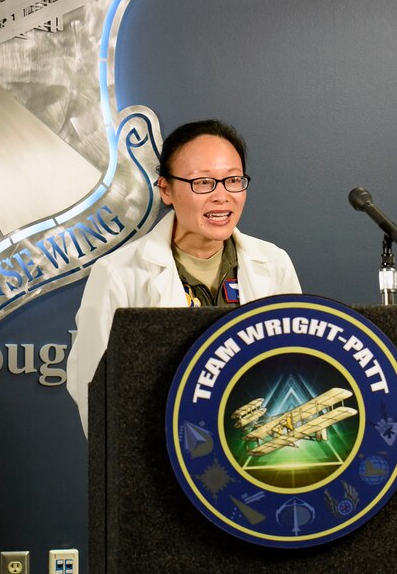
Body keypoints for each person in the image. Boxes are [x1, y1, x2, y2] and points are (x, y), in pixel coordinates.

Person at [66, 119, 300, 436]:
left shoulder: (274, 264)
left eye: (233, 180)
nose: (222, 196)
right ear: (166, 189)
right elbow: (93, 389)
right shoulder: (118, 274)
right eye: (203, 183)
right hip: (159, 455)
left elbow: (293, 369)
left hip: (255, 456)